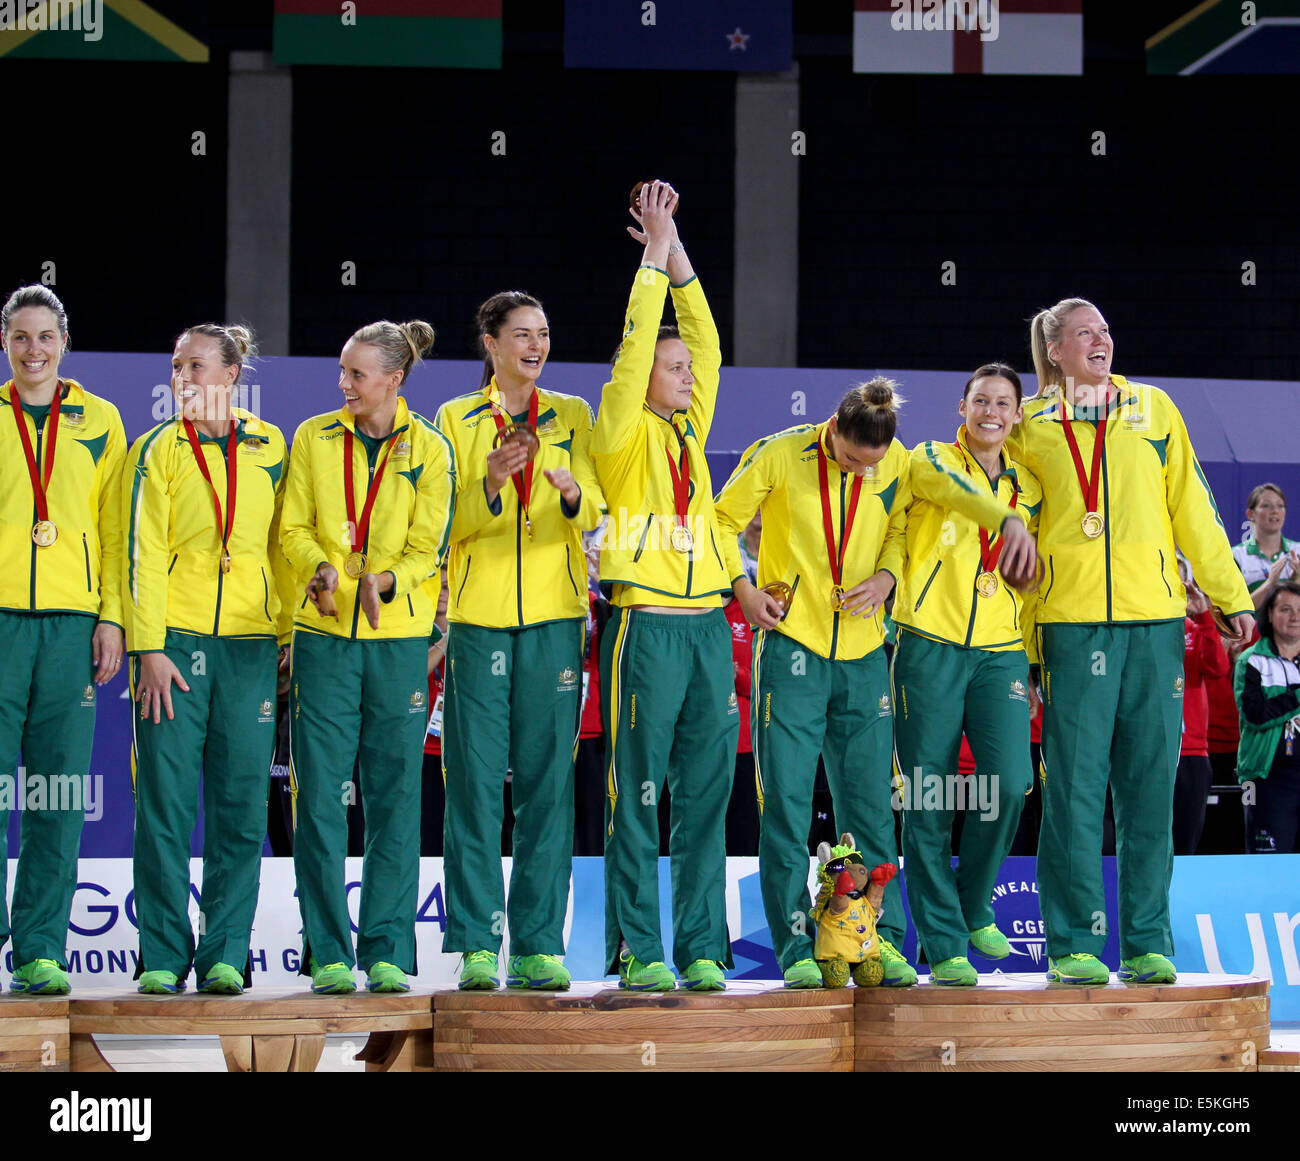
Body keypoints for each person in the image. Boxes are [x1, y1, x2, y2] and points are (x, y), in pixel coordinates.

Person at [1012, 297, 1254, 985]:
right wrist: (1027, 643)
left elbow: (1194, 510)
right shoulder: (1029, 424)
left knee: (1150, 789)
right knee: (1074, 792)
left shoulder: (1154, 408)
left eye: (1107, 330)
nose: (1102, 340)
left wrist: (1230, 594)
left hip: (1154, 622)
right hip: (1069, 621)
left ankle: (1148, 940)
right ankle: (1074, 944)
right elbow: (1013, 529)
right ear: (1054, 350)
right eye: (1084, 332)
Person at [716, 379, 935, 989]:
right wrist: (744, 589)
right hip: (793, 647)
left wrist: (889, 574)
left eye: (873, 465)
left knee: (870, 806)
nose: (863, 472)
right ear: (832, 431)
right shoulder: (779, 452)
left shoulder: (897, 462)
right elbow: (719, 520)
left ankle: (880, 941)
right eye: (850, 460)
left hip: (865, 652)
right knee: (785, 803)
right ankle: (795, 946)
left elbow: (902, 525)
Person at [434, 291, 604, 991]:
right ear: (491, 342)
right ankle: (478, 940)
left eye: (544, 333)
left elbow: (595, 506)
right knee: (473, 786)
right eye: (522, 334)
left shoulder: (573, 413)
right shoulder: (454, 418)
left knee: (546, 789)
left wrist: (569, 495)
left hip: (556, 618)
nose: (536, 346)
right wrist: (491, 484)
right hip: (477, 618)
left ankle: (537, 942)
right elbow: (446, 519)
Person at [280, 319, 455, 995]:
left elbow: (427, 546)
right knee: (320, 797)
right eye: (342, 371)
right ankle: (326, 947)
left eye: (356, 373)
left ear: (394, 379)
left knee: (393, 799)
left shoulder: (432, 449)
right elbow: (293, 524)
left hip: (399, 640)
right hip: (322, 637)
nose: (343, 384)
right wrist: (322, 569)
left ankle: (385, 947)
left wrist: (380, 583)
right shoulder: (313, 437)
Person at [591, 179, 736, 992]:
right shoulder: (619, 428)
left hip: (708, 625)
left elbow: (708, 343)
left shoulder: (691, 429)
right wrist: (649, 262)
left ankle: (701, 945)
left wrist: (677, 250)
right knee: (636, 797)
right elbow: (641, 340)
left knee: (705, 800)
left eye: (686, 368)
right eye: (670, 366)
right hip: (644, 625)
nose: (686, 374)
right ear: (644, 372)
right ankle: (637, 947)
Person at [124, 323, 293, 994]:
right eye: (175, 366)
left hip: (251, 647)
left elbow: (283, 542)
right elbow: (140, 554)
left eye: (195, 365)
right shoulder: (156, 450)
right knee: (164, 804)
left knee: (240, 806)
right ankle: (163, 952)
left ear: (231, 374)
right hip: (177, 644)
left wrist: (284, 631)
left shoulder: (269, 445)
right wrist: (150, 646)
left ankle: (227, 949)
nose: (182, 377)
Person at [891, 364, 1042, 986]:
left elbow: (1040, 571)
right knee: (929, 796)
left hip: (1002, 648)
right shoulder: (929, 458)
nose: (991, 412)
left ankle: (972, 901)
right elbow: (939, 503)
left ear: (1016, 414)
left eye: (1003, 403)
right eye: (981, 400)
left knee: (1010, 784)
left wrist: (1033, 654)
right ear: (962, 406)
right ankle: (944, 937)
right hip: (928, 641)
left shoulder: (1030, 483)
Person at [0, 285, 126, 996]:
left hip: (73, 625)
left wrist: (112, 616)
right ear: (4, 342)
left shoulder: (101, 420)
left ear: (65, 341)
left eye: (45, 336)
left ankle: (40, 948)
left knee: (55, 794)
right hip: (1, 620)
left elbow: (115, 531)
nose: (34, 350)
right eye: (21, 337)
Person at [1234, 580, 1300, 854]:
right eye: (1286, 609)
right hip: (1266, 778)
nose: (1295, 617)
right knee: (1268, 863)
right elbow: (1255, 715)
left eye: (1299, 609)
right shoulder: (1251, 660)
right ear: (1270, 615)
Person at [1174, 558, 1229, 855]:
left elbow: (1218, 668)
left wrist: (1204, 616)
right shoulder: (1135, 631)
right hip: (1143, 753)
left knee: (1185, 844)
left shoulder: (1196, 630)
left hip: (1190, 753)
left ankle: (1178, 902)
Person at [1234, 484, 1298, 611]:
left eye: (1280, 506)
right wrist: (1270, 583)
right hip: (1252, 630)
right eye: (1266, 505)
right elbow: (1237, 611)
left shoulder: (1297, 551)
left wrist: (1297, 580)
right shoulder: (1236, 556)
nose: (1275, 511)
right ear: (1250, 514)